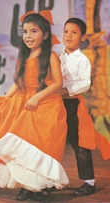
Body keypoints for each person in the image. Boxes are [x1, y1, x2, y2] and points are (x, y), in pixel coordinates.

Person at [0, 10, 69, 202]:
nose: (28, 36)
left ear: (46, 35)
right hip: (25, 102)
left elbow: (57, 83)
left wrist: (37, 98)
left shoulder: (50, 57)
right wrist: (6, 99)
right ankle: (26, 185)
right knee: (12, 134)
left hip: (46, 104)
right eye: (25, 32)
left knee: (36, 144)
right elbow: (18, 82)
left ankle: (40, 185)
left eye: (34, 31)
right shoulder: (25, 57)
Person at [59, 17, 110, 197]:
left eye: (74, 32)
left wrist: (65, 91)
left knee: (79, 142)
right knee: (52, 140)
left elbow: (85, 84)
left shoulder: (82, 59)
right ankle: (47, 180)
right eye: (66, 31)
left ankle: (89, 182)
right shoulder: (58, 58)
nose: (69, 35)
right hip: (55, 105)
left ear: (83, 37)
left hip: (72, 104)